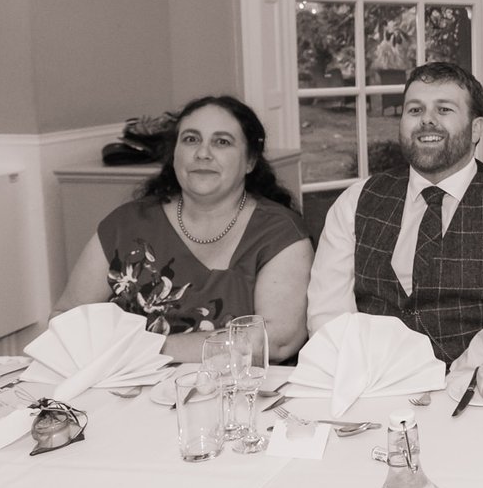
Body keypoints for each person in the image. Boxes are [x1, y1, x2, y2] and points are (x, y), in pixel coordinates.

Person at [307, 62, 483, 389]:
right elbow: (328, 314)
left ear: (476, 129)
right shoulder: (356, 201)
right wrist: (358, 376)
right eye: (415, 109)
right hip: (366, 390)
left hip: (467, 397)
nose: (427, 119)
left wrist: (448, 386)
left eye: (444, 109)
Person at [53, 96, 313, 362]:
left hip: (233, 394)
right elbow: (65, 318)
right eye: (191, 139)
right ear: (174, 155)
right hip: (122, 393)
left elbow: (277, 340)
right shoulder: (126, 224)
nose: (203, 153)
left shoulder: (280, 233)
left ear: (250, 161)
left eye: (222, 142)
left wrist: (148, 350)